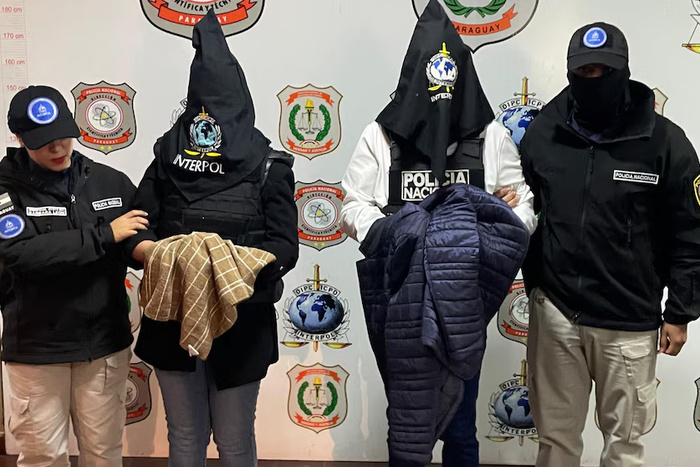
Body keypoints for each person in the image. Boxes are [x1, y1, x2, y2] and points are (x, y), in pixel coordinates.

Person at [339, 1, 536, 465]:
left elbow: (522, 206)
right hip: (399, 297)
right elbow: (351, 205)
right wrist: (399, 231)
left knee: (461, 423)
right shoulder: (381, 136)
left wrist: (496, 222)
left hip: (464, 297)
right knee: (407, 417)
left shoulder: (490, 137)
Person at [521, 22, 700, 467]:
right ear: (571, 73)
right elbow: (522, 211)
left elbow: (691, 232)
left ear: (624, 71)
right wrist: (536, 286)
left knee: (624, 447)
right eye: (585, 72)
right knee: (555, 442)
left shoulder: (665, 142)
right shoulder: (544, 132)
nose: (594, 80)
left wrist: (680, 312)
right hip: (556, 314)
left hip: (629, 321)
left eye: (604, 71)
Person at [129, 10, 298, 467]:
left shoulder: (269, 167)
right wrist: (161, 253)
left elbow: (286, 247)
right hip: (171, 320)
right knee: (185, 435)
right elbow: (136, 229)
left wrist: (222, 265)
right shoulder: (166, 158)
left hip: (243, 322)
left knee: (234, 438)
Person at [0, 85, 148, 466]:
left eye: (63, 135)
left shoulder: (109, 181)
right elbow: (19, 253)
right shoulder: (4, 188)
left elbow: (138, 237)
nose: (58, 148)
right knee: (43, 457)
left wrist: (151, 249)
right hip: (36, 351)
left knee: (103, 455)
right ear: (19, 139)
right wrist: (104, 235)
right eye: (44, 141)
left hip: (103, 345)